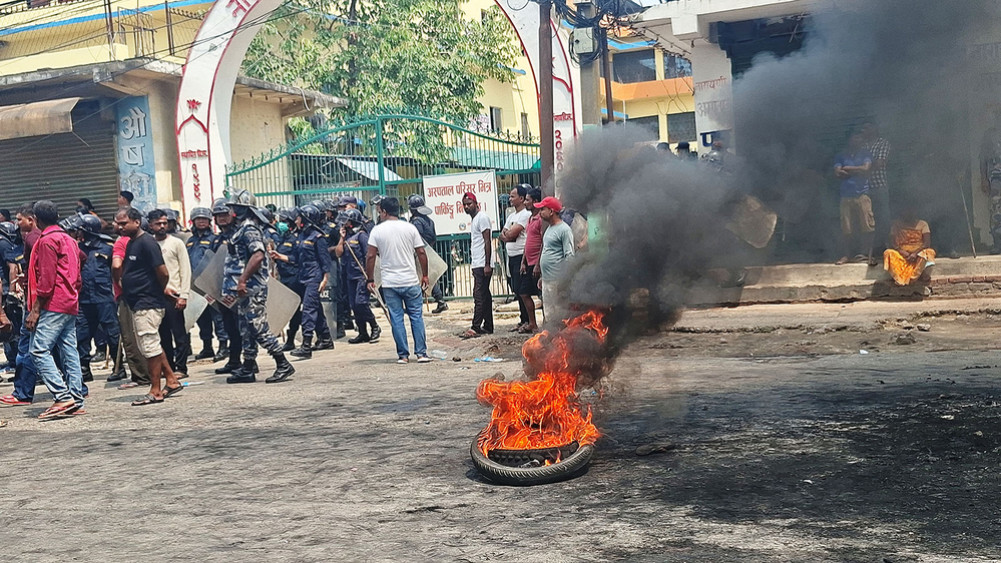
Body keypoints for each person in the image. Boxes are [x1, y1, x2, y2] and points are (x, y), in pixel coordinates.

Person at [221, 190, 294, 384]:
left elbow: (258, 255)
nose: (229, 211)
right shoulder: (240, 229)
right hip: (244, 289)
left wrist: (243, 280)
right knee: (246, 327)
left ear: (242, 210)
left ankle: (282, 363)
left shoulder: (249, 229)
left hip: (252, 287)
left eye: (233, 208)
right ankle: (248, 366)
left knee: (257, 326)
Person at [115, 207, 183, 406]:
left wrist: (158, 290)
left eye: (123, 223)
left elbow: (162, 272)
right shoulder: (131, 243)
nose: (119, 227)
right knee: (151, 343)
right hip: (138, 302)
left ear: (136, 222)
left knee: (149, 344)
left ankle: (155, 390)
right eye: (117, 223)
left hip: (148, 303)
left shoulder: (146, 242)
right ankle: (171, 380)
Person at [26, 201, 85, 419]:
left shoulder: (47, 241)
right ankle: (76, 399)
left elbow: (47, 281)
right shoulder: (69, 239)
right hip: (70, 300)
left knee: (38, 350)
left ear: (36, 220)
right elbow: (78, 275)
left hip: (54, 302)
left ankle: (62, 397)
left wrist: (35, 310)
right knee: (69, 350)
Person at [365, 197, 431, 364]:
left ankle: (403, 356)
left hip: (390, 283)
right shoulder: (409, 228)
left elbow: (371, 255)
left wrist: (370, 278)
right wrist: (424, 274)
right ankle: (422, 354)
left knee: (396, 318)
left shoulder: (377, 231)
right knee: (416, 316)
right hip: (410, 280)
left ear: (385, 212)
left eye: (380, 211)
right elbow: (421, 253)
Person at [0, 203, 41, 407]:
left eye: (19, 219)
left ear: (31, 219)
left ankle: (23, 392)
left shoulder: (33, 239)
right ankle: (75, 389)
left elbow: (12, 268)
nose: (17, 224)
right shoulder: (48, 237)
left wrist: (13, 292)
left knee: (24, 346)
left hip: (33, 302)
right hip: (40, 301)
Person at [76, 214, 124, 383]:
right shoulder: (77, 248)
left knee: (112, 333)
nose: (78, 233)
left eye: (81, 230)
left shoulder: (107, 248)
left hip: (104, 298)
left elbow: (118, 272)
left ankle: (119, 367)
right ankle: (84, 369)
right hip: (84, 299)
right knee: (81, 335)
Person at [282, 204, 332, 360]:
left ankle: (306, 345)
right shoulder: (301, 236)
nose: (296, 220)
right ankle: (326, 339)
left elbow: (325, 262)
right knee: (315, 308)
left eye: (299, 218)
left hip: (314, 278)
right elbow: (295, 259)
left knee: (308, 310)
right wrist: (279, 256)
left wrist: (325, 279)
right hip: (302, 277)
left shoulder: (318, 237)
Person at [148, 209, 192, 379]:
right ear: (150, 225)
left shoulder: (176, 243)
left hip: (174, 295)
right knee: (162, 335)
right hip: (156, 297)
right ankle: (169, 369)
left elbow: (185, 270)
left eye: (164, 223)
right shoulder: (149, 244)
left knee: (179, 333)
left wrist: (184, 295)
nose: (162, 226)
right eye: (158, 223)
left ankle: (181, 368)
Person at [111, 211, 151, 389]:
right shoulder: (145, 240)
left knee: (130, 336)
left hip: (128, 296)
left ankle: (141, 376)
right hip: (145, 293)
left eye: (122, 223)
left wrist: (120, 282)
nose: (118, 226)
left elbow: (116, 265)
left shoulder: (122, 242)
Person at [186, 206, 229, 361]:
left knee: (217, 316)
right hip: (196, 285)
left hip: (211, 284)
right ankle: (207, 347)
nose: (201, 222)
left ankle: (223, 346)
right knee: (201, 317)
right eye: (198, 219)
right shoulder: (190, 241)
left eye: (204, 219)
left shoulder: (215, 239)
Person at [834, 133, 875, 266]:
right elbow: (837, 172)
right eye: (855, 137)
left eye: (860, 138)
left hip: (862, 194)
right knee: (846, 227)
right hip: (846, 195)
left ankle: (866, 255)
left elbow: (866, 169)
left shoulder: (866, 154)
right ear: (849, 140)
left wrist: (848, 168)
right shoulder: (841, 155)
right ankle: (847, 255)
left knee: (867, 225)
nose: (857, 140)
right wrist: (858, 170)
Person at [340, 209, 381, 344]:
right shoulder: (346, 236)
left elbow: (369, 255)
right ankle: (363, 332)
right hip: (350, 276)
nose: (345, 223)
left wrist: (369, 276)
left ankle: (374, 326)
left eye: (347, 220)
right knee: (354, 305)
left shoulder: (361, 235)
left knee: (361, 303)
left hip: (361, 275)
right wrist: (342, 237)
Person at [536, 196, 575, 322]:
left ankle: (560, 339)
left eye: (542, 209)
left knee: (559, 314)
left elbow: (569, 255)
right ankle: (551, 339)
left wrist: (566, 280)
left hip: (558, 280)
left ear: (551, 211)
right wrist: (543, 277)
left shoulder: (564, 230)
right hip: (547, 280)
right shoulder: (549, 228)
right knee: (548, 314)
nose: (540, 212)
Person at [499, 185, 532, 332]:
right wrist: (508, 236)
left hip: (520, 256)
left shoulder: (525, 215)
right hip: (511, 257)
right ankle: (522, 319)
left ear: (522, 198)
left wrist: (509, 236)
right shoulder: (511, 216)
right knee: (516, 290)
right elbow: (503, 234)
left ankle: (527, 320)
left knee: (522, 290)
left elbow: (511, 235)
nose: (510, 199)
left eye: (513, 196)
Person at [408, 194, 447, 313]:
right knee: (426, 277)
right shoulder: (428, 220)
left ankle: (438, 301)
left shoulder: (416, 222)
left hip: (420, 252)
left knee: (422, 277)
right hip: (429, 250)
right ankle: (440, 301)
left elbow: (416, 238)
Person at [462, 192, 493, 338]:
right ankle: (488, 326)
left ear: (476, 204)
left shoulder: (482, 218)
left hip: (482, 263)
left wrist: (487, 264)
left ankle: (475, 327)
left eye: (469, 204)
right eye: (465, 205)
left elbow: (487, 241)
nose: (467, 207)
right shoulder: (475, 220)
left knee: (479, 295)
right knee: (485, 295)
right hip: (478, 263)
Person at [272, 207, 303, 350]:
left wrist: (281, 257)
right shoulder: (281, 238)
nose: (281, 223)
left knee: (295, 310)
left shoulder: (295, 239)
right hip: (283, 278)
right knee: (289, 310)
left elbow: (297, 259)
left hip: (294, 278)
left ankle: (292, 339)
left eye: (284, 221)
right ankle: (290, 339)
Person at [883, 207, 936, 286]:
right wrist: (902, 252)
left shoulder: (923, 224)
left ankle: (913, 277)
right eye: (906, 211)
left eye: (911, 211)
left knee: (929, 252)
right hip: (902, 254)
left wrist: (915, 253)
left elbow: (927, 243)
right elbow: (892, 243)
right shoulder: (896, 225)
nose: (908, 213)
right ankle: (900, 278)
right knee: (888, 253)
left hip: (918, 254)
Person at [861, 121, 892, 252]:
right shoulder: (862, 146)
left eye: (866, 127)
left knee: (883, 217)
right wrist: (861, 168)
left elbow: (880, 163)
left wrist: (863, 168)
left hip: (879, 187)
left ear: (874, 129)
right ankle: (868, 250)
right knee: (867, 219)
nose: (863, 131)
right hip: (864, 189)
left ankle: (886, 246)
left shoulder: (883, 143)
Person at [518, 188, 544, 333]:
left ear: (535, 202)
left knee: (542, 295)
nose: (525, 203)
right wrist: (523, 261)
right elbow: (528, 242)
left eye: (527, 200)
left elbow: (542, 243)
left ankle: (547, 323)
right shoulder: (530, 219)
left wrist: (538, 264)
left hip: (537, 264)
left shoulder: (541, 219)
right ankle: (532, 323)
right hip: (529, 263)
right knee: (524, 293)